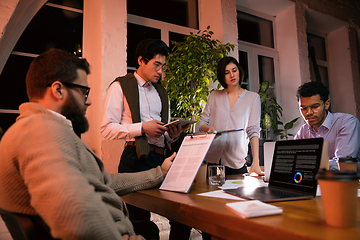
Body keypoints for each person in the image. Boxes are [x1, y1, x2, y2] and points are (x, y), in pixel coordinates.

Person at [0, 48, 176, 240]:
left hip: (116, 226)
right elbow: (76, 215)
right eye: (84, 92)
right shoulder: (41, 133)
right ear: (58, 90)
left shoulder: (45, 129)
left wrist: (161, 173)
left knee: (148, 228)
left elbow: (104, 182)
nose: (89, 101)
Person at [100, 39, 191, 239]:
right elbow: (106, 129)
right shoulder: (120, 86)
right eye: (157, 65)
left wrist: (171, 135)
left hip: (162, 158)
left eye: (163, 66)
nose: (161, 71)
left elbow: (162, 133)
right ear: (141, 61)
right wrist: (142, 127)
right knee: (140, 224)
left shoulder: (161, 92)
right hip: (135, 159)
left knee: (182, 217)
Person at [199, 56, 263, 176]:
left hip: (236, 162)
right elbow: (202, 123)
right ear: (222, 76)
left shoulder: (253, 98)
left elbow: (253, 130)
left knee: (238, 194)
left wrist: (256, 162)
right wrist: (208, 129)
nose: (232, 75)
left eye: (234, 70)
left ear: (239, 71)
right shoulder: (214, 95)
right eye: (226, 73)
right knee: (212, 194)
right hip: (214, 162)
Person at [294, 81, 360, 173]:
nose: (309, 112)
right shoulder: (303, 131)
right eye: (303, 108)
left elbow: (343, 164)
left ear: (327, 104)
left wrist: (308, 164)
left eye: (315, 106)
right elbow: (293, 160)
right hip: (316, 183)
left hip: (347, 184)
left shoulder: (346, 122)